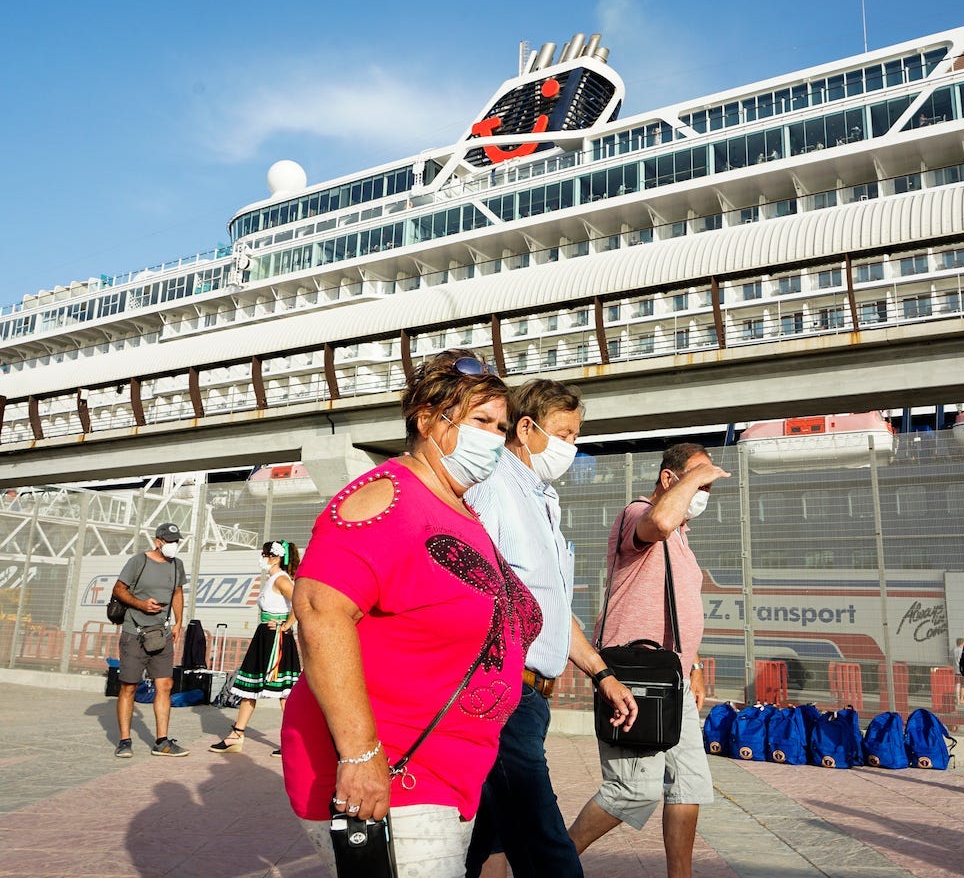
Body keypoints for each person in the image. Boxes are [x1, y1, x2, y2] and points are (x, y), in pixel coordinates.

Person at [280, 350, 542, 878]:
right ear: (427, 420)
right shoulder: (390, 499)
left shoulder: (459, 510)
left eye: (501, 426)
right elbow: (317, 607)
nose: (495, 437)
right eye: (480, 422)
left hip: (450, 773)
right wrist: (359, 757)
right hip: (394, 773)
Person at [463, 379, 637, 878]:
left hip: (533, 697)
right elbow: (472, 588)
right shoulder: (493, 489)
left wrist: (601, 674)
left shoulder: (543, 501)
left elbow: (549, 610)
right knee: (546, 846)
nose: (571, 447)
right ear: (526, 427)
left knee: (487, 840)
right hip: (502, 693)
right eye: (564, 433)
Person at [568, 443, 730, 878]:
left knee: (690, 785)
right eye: (699, 479)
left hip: (671, 677)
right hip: (636, 675)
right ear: (668, 479)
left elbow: (677, 610)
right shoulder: (639, 513)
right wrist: (693, 479)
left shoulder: (681, 538)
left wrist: (692, 666)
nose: (705, 489)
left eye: (710, 484)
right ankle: (553, 861)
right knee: (633, 790)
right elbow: (657, 520)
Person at [210, 540, 302, 757]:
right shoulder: (272, 580)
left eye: (264, 554)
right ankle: (236, 734)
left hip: (276, 639)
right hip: (264, 636)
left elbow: (300, 600)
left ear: (276, 557)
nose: (261, 557)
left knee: (284, 692)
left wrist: (285, 625)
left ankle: (295, 741)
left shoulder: (281, 579)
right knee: (249, 686)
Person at [110, 522, 190, 758]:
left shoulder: (177, 565)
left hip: (162, 633)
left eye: (177, 542)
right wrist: (140, 604)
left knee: (165, 685)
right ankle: (125, 740)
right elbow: (118, 589)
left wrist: (177, 622)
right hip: (134, 632)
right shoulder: (139, 561)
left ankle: (162, 741)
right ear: (158, 542)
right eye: (169, 541)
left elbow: (177, 593)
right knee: (129, 686)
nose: (173, 546)